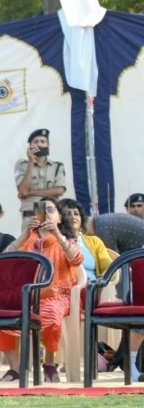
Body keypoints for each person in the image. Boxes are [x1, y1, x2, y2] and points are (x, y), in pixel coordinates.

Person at [1, 197, 83, 382]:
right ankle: (15, 368)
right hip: (26, 297)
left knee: (51, 313)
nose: (46, 213)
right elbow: (5, 259)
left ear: (60, 218)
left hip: (55, 295)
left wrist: (58, 235)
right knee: (3, 311)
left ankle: (49, 363)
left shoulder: (66, 241)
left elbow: (76, 259)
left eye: (51, 210)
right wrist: (25, 233)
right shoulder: (27, 240)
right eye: (40, 209)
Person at [14, 128, 66, 228]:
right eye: (36, 142)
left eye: (43, 142)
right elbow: (23, 191)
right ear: (30, 145)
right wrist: (31, 162)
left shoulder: (57, 166)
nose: (39, 144)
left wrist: (31, 192)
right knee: (30, 243)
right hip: (30, 215)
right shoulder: (22, 165)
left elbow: (60, 190)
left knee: (51, 242)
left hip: (51, 214)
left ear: (48, 144)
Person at [58, 198, 113, 282]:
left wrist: (99, 283)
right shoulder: (55, 241)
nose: (73, 217)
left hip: (93, 289)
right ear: (59, 219)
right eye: (68, 214)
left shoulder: (94, 241)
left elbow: (109, 268)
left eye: (76, 214)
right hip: (65, 289)